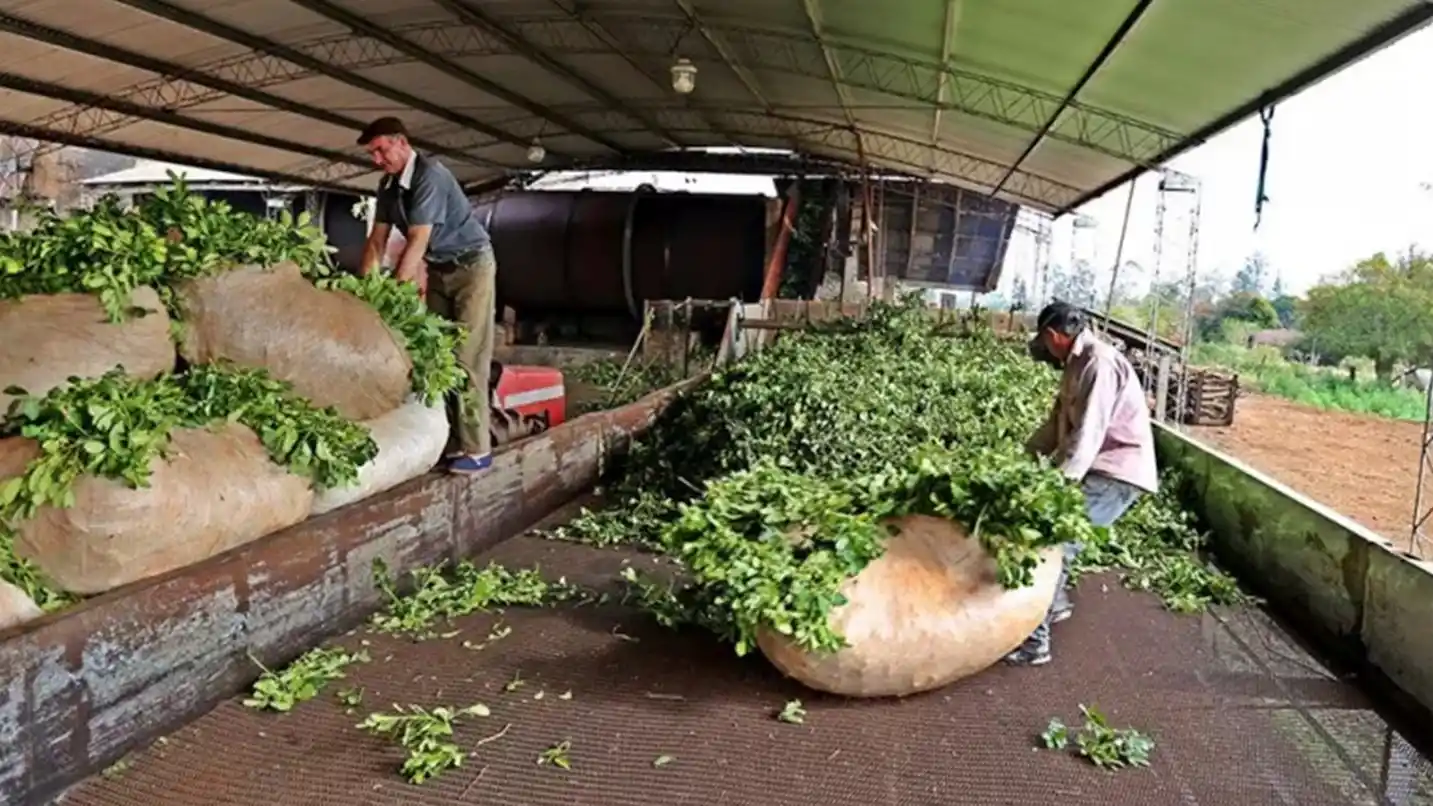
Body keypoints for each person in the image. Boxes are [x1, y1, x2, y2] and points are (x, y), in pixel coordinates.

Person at [1006, 301, 1159, 666]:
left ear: (1053, 336)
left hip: (1115, 473)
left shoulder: (1098, 363)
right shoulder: (1075, 364)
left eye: (1044, 343)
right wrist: (1021, 462)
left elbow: (1088, 435)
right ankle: (1056, 605)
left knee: (1052, 546)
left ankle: (1033, 643)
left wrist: (1055, 487)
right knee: (1057, 543)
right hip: (1098, 469)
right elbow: (1056, 424)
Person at [357, 116, 495, 475]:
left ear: (401, 142)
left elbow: (417, 239)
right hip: (440, 268)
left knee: (466, 356)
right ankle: (450, 441)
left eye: (381, 150)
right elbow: (376, 242)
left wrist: (396, 297)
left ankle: (477, 450)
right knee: (435, 355)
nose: (377, 159)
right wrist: (364, 293)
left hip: (471, 267)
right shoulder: (388, 186)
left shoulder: (429, 177)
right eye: (372, 153)